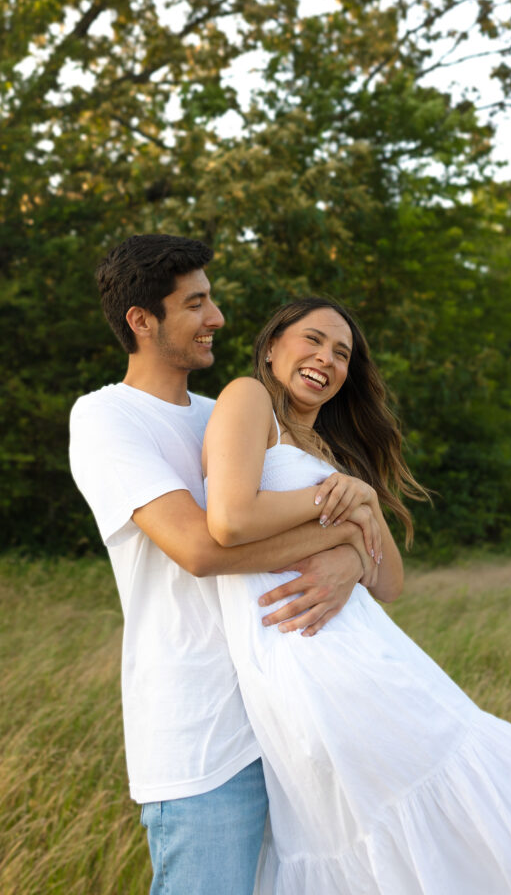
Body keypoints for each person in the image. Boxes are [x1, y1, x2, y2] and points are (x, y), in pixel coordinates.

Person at [202, 296, 511, 895]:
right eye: (312, 341)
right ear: (272, 345)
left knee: (453, 812)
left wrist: (357, 525)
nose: (326, 360)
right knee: (396, 827)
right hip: (308, 655)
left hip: (368, 653)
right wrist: (342, 512)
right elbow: (230, 520)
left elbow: (389, 582)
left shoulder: (330, 451)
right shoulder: (248, 399)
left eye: (342, 354)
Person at [69, 236, 381, 895]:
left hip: (292, 721)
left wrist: (353, 558)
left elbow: (359, 547)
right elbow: (201, 550)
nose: (216, 318)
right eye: (196, 303)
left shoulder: (228, 415)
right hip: (202, 734)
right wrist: (341, 537)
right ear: (141, 321)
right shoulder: (105, 418)